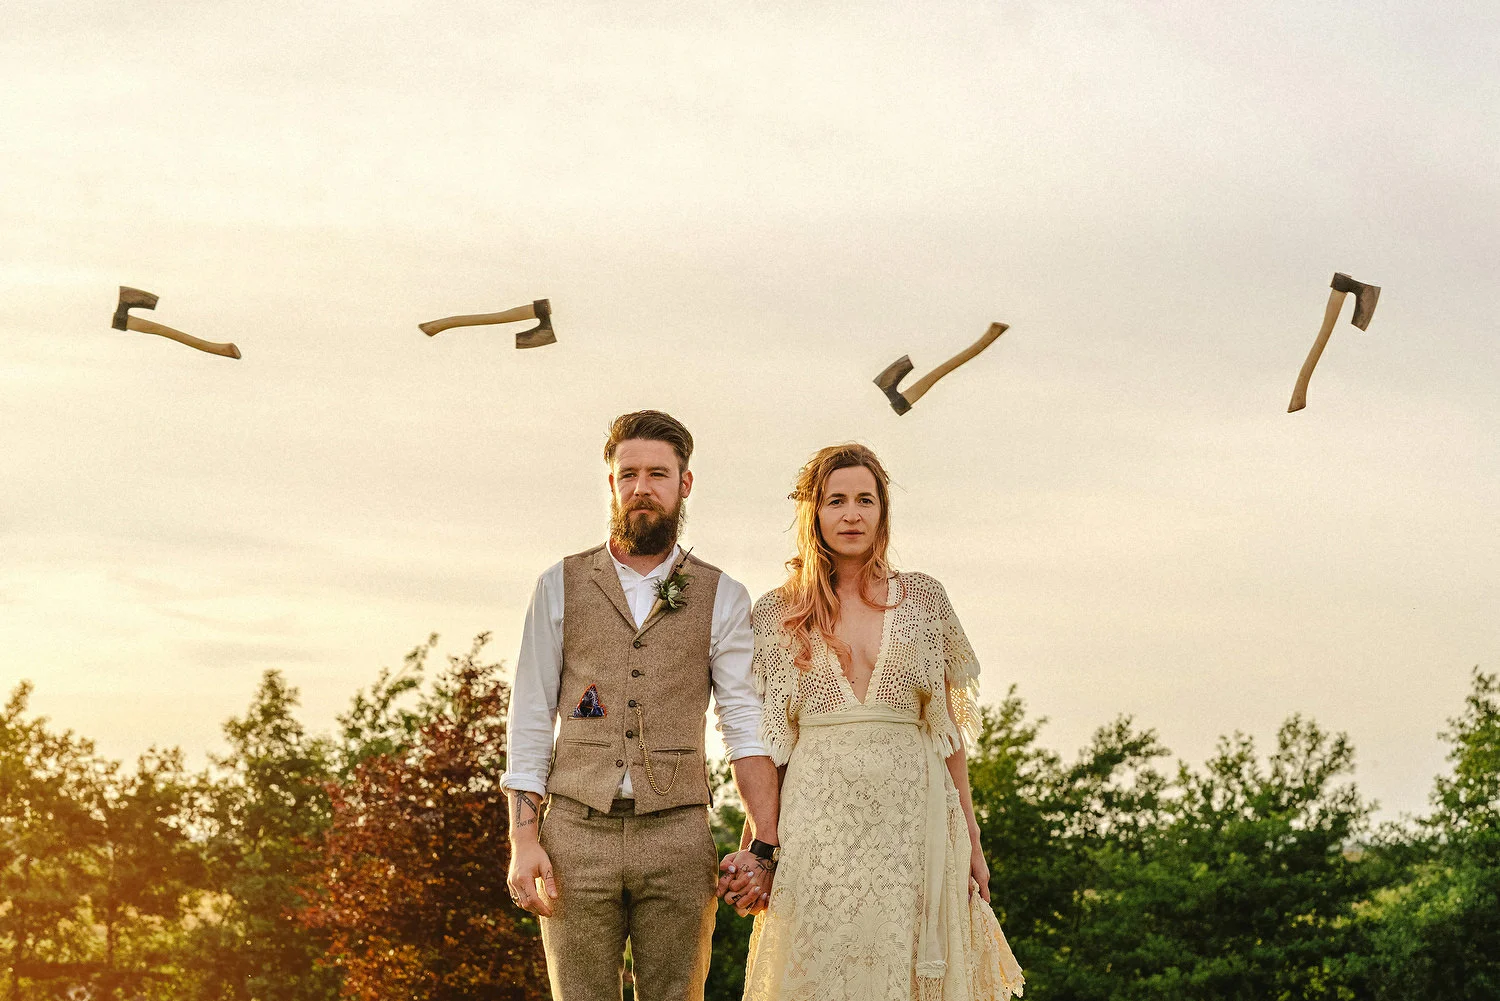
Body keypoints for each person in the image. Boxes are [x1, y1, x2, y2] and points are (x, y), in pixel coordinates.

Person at [724, 443, 1025, 1001]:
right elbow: (767, 746)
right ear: (813, 513)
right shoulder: (774, 613)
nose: (852, 514)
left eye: (866, 499)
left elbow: (947, 734)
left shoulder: (926, 599)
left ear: (883, 510)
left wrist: (974, 843)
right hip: (816, 827)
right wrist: (758, 851)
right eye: (836, 501)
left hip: (915, 821)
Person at [501, 410, 782, 1001]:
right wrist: (523, 841)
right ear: (611, 483)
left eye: (658, 473)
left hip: (679, 832)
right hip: (575, 832)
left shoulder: (723, 595)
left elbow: (743, 726)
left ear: (684, 484)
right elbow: (529, 717)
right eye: (628, 474)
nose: (641, 488)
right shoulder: (559, 584)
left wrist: (763, 841)